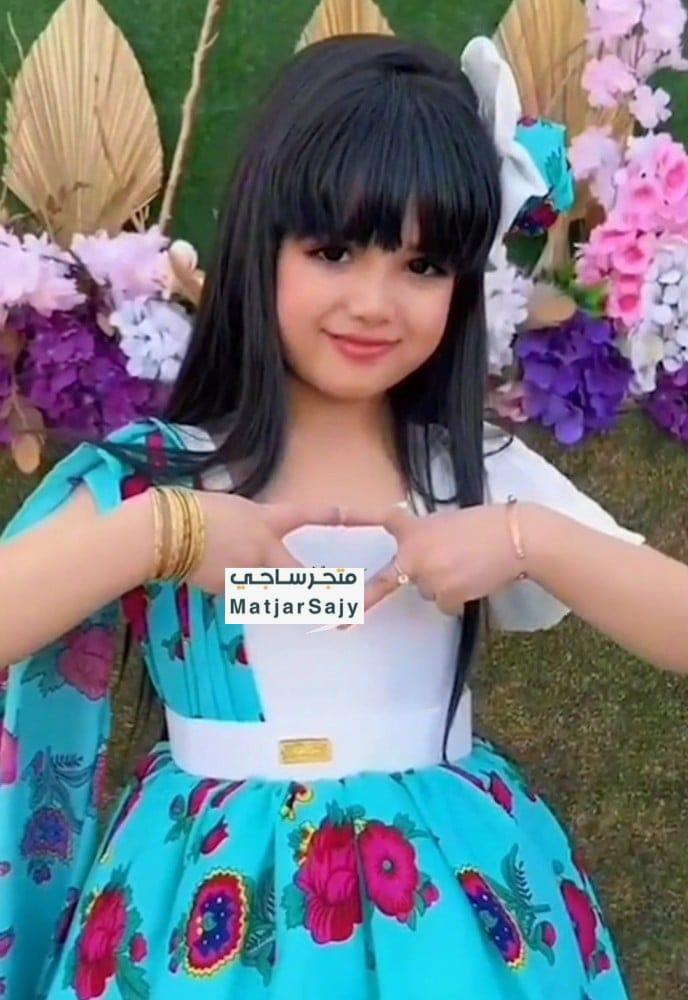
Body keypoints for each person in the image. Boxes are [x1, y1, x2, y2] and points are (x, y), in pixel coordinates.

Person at [1, 31, 687, 1000]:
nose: (374, 302)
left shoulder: (470, 473)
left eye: (422, 266)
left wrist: (530, 540)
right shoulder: (163, 476)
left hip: (445, 916)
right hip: (204, 914)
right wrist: (166, 535)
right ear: (261, 246)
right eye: (332, 252)